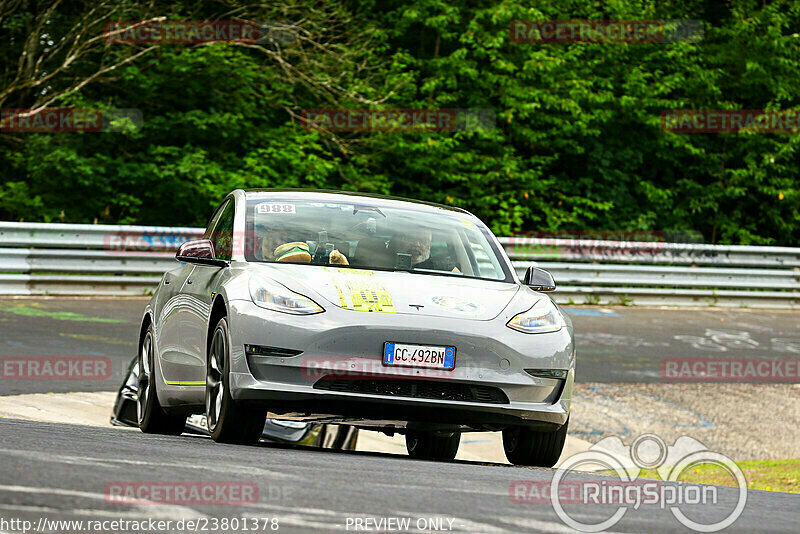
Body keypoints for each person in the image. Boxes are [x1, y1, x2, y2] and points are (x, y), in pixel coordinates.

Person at [390, 228, 460, 272]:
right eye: (411, 239)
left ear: (429, 245)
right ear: (397, 241)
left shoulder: (441, 268)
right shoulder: (382, 262)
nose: (417, 244)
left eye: (423, 241)